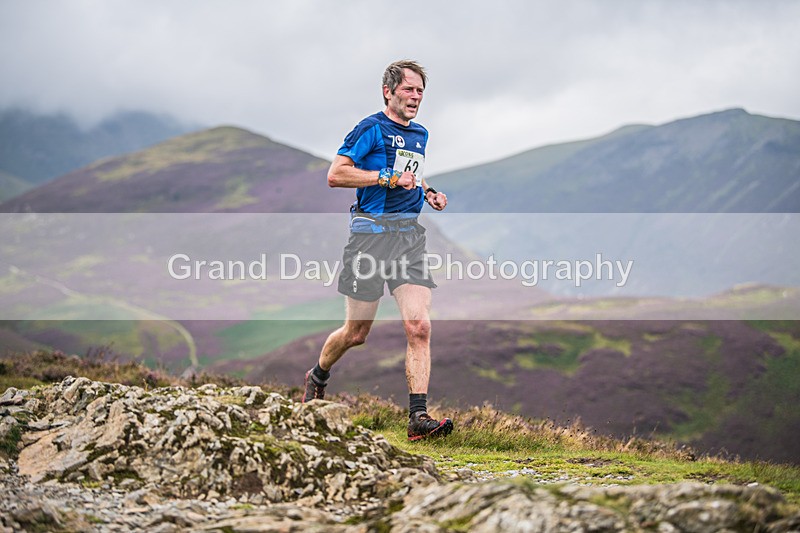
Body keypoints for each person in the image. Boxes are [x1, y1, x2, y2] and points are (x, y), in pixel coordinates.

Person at [302, 60, 453, 442]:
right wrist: (385, 178)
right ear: (388, 91)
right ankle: (318, 375)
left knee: (419, 326)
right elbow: (336, 173)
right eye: (409, 89)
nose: (416, 97)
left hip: (408, 240)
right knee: (356, 333)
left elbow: (410, 172)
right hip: (369, 239)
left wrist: (426, 190)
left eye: (420, 91)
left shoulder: (420, 133)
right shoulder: (369, 128)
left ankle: (418, 419)